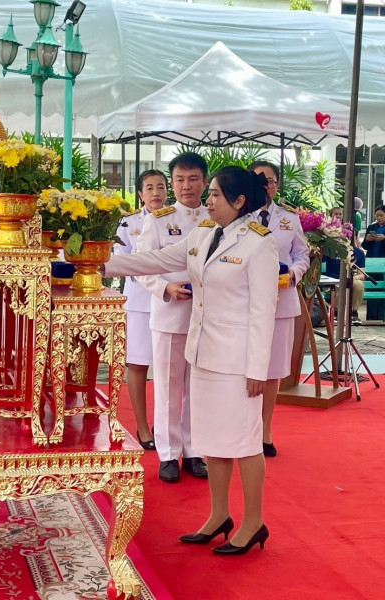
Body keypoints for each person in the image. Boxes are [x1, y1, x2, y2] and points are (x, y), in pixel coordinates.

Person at [104, 166, 279, 555]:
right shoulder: (203, 233)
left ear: (239, 201)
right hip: (203, 353)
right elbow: (153, 260)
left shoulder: (259, 244)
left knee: (245, 441)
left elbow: (262, 313)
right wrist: (97, 262)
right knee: (213, 439)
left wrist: (258, 370)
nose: (208, 200)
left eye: (215, 194)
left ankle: (254, 521)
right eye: (210, 193)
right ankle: (219, 515)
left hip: (238, 362)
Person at [135, 152, 209, 483]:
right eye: (179, 180)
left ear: (204, 182)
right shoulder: (158, 220)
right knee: (167, 387)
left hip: (207, 318)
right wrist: (165, 287)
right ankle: (167, 454)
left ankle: (194, 451)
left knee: (199, 387)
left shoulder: (216, 219)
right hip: (169, 315)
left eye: (193, 179)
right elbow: (141, 267)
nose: (186, 186)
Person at [247, 161, 309, 458]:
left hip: (281, 302)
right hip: (244, 303)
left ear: (276, 185)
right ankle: (243, 429)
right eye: (257, 180)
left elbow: (302, 253)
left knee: (272, 371)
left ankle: (264, 430)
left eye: (269, 181)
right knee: (243, 366)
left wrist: (294, 274)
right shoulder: (237, 215)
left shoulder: (288, 218)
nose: (264, 186)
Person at [114, 169, 168, 451]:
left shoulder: (175, 219)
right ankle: (143, 426)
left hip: (170, 300)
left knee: (168, 367)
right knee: (137, 364)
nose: (156, 192)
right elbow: (119, 258)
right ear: (140, 193)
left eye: (160, 186)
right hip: (138, 302)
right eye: (149, 187)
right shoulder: (129, 222)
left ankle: (164, 424)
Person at [323, 241, 366, 325]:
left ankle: (353, 313)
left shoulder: (359, 253)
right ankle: (337, 313)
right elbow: (320, 259)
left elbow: (362, 275)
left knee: (358, 285)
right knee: (342, 285)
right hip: (332, 282)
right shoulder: (331, 249)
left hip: (350, 280)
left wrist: (352, 279)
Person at [361, 205, 385, 273]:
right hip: (372, 260)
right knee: (370, 279)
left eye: (381, 215)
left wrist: (384, 239)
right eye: (377, 216)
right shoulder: (371, 227)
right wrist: (367, 240)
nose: (379, 218)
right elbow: (364, 246)